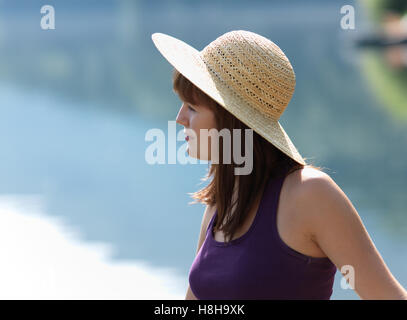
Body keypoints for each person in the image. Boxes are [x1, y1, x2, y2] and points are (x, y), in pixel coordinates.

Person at [151, 30, 407, 300]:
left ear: (232, 120)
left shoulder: (310, 194)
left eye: (191, 107)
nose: (180, 118)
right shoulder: (220, 202)